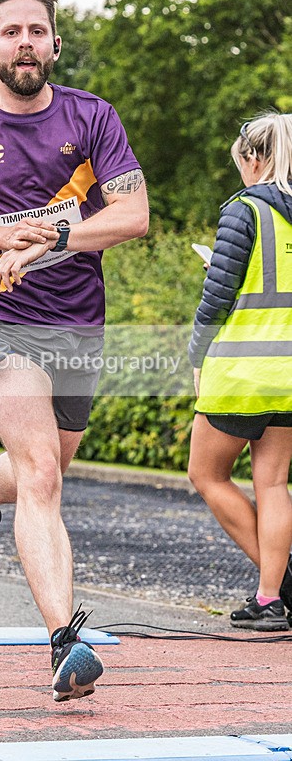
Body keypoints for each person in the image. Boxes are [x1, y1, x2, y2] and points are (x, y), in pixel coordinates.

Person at [0, 0, 149, 699]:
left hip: (75, 325)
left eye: (36, 31)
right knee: (42, 470)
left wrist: (53, 235)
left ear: (53, 43)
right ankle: (64, 643)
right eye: (10, 32)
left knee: (42, 467)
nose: (25, 43)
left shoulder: (92, 117)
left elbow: (132, 214)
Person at [188, 111, 292, 632]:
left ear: (257, 158)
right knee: (273, 484)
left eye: (243, 162)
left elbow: (217, 299)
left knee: (206, 474)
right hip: (289, 375)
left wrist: (195, 357)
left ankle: (280, 592)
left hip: (240, 372)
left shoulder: (243, 211)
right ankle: (270, 595)